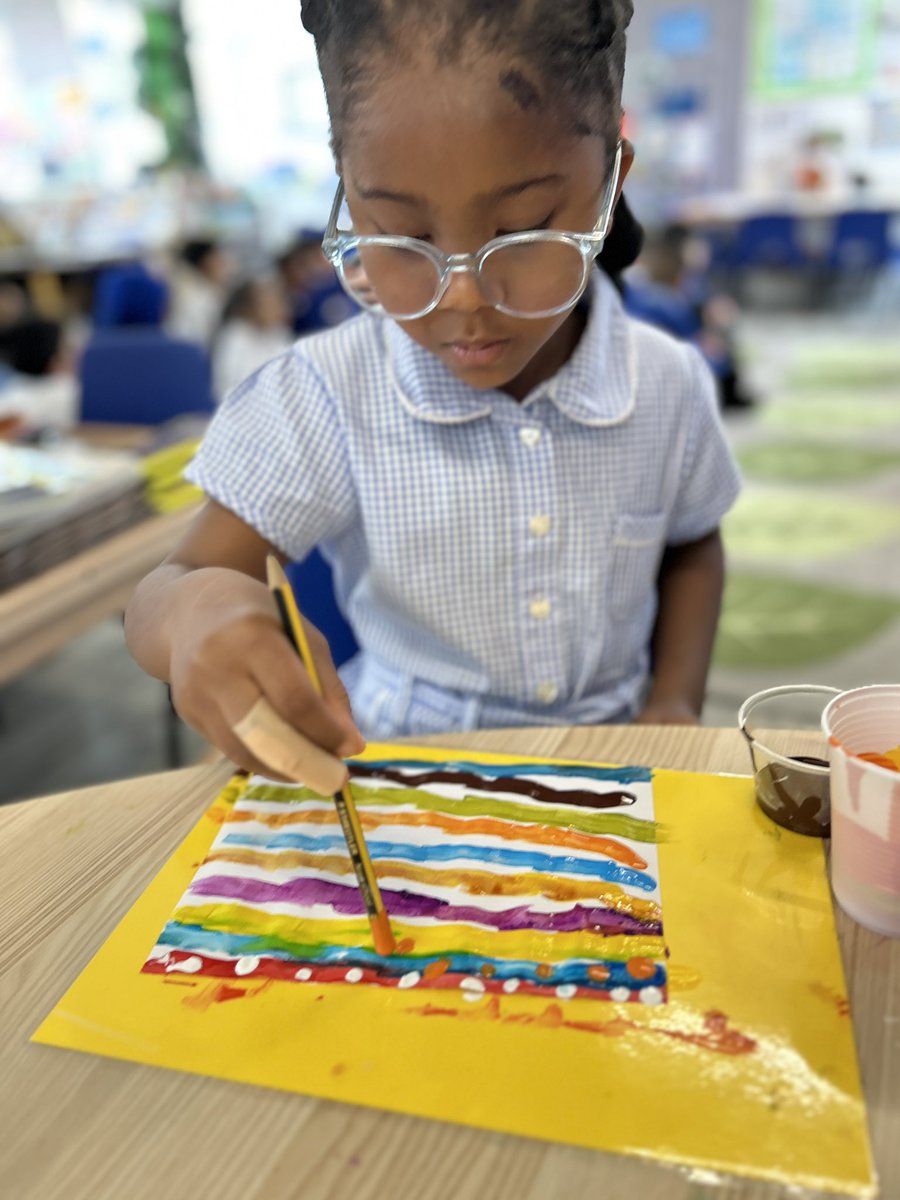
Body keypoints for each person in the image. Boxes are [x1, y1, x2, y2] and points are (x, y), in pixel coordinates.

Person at [125, 0, 741, 792]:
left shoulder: (668, 382)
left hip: (613, 772)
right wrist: (192, 614)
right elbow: (163, 591)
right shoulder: (325, 395)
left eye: (523, 227)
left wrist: (675, 705)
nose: (461, 300)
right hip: (397, 782)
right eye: (403, 237)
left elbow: (693, 545)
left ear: (610, 183)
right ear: (348, 194)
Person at [212, 275, 294, 399]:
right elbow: (227, 387)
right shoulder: (234, 336)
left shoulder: (281, 334)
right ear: (249, 307)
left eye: (278, 299)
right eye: (268, 301)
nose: (278, 306)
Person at [166, 238, 236, 347]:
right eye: (220, 260)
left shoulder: (213, 293)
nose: (227, 266)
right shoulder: (192, 299)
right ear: (206, 263)